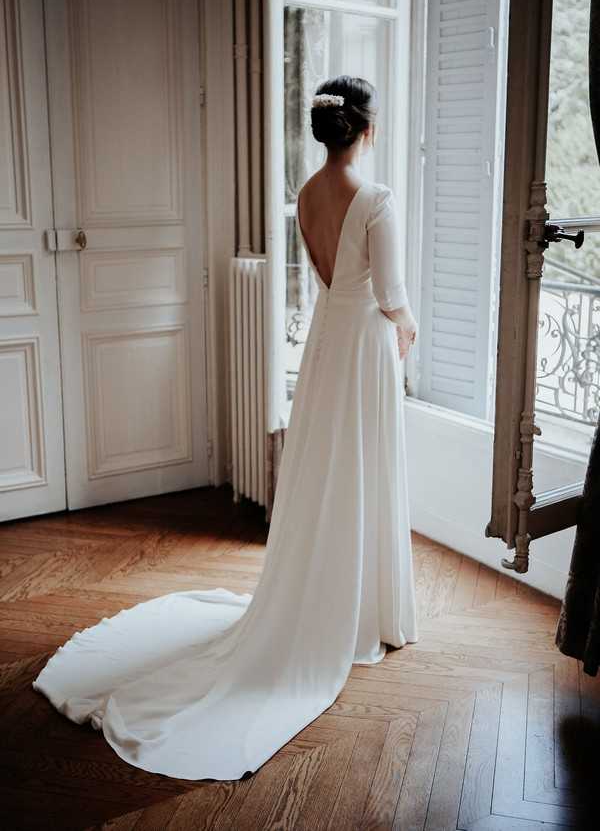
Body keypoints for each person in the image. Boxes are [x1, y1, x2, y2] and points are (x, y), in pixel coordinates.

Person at [32, 74, 419, 782]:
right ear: (368, 129)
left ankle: (325, 588)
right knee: (363, 465)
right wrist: (409, 324)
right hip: (362, 345)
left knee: (325, 467)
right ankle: (367, 610)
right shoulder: (378, 199)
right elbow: (389, 294)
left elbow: (331, 278)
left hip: (328, 345)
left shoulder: (306, 195)